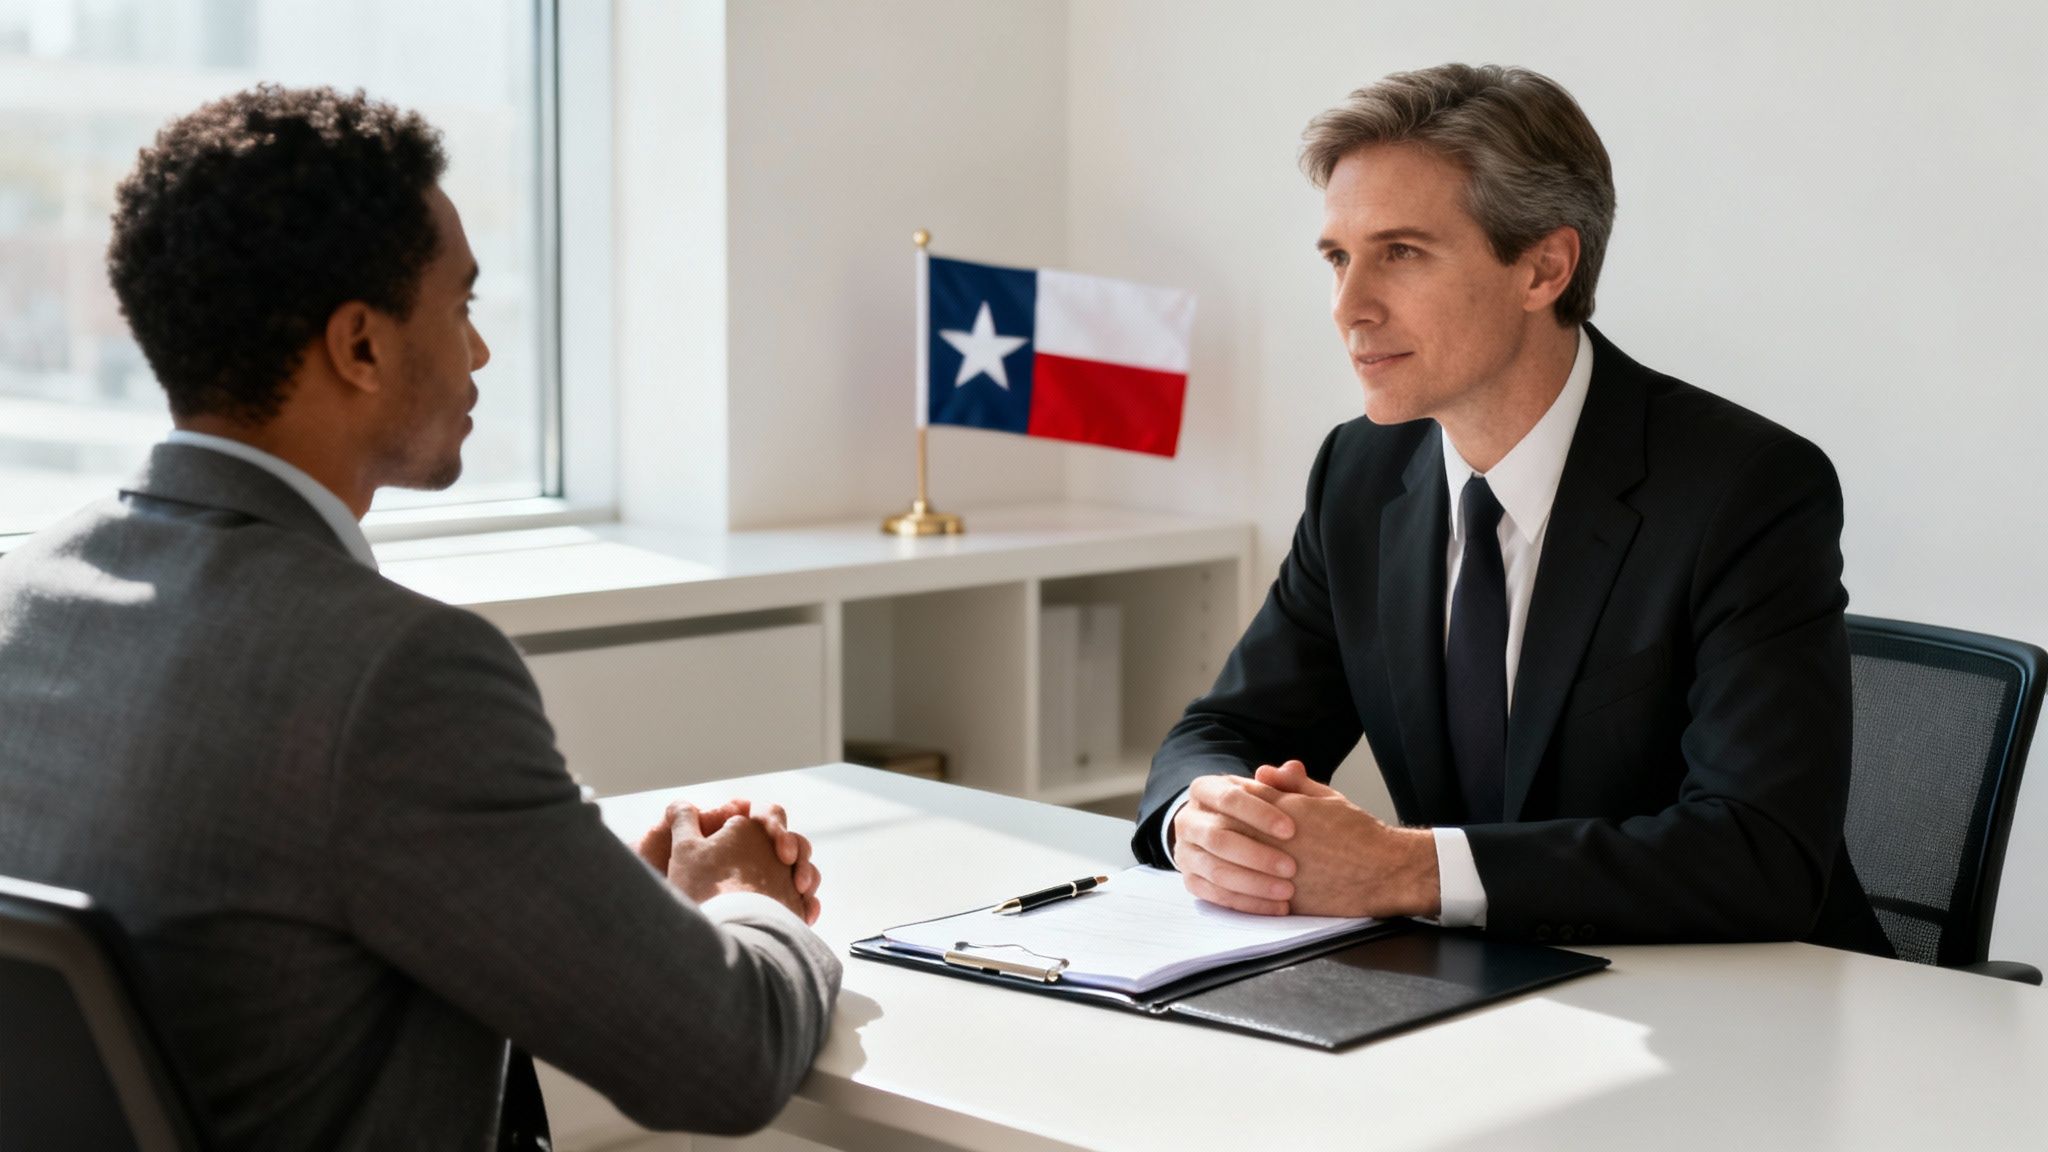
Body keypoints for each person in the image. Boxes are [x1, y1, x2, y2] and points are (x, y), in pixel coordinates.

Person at [0, 85, 839, 1150]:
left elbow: (254, 939)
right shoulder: (397, 673)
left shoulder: (28, 598)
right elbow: (726, 1059)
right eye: (462, 308)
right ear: (360, 346)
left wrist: (593, 907)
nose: (480, 354)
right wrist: (742, 904)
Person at [1131, 63, 1889, 956]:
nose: (1348, 308)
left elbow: (1759, 857)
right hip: (1485, 998)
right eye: (1339, 257)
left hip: (1758, 1019)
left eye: (1401, 253)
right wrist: (1207, 820)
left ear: (1543, 267)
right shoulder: (1360, 471)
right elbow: (1226, 731)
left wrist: (1403, 868)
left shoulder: (1747, 489)